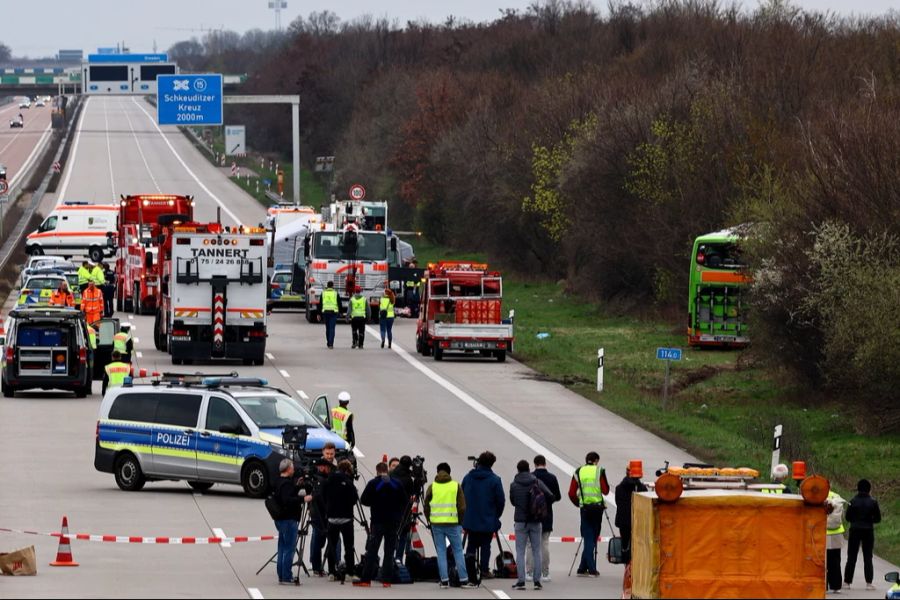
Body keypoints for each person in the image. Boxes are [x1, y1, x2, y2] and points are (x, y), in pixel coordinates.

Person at [355, 462, 408, 586]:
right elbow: (405, 501)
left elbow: (364, 500)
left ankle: (366, 580)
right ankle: (386, 580)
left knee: (372, 551)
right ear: (387, 470)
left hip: (377, 521)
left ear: (377, 471)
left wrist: (375, 502)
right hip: (393, 522)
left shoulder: (374, 483)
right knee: (389, 552)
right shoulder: (396, 483)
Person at [424, 462, 476, 589]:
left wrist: (429, 520)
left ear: (437, 472)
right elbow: (462, 507)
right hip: (453, 523)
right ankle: (463, 579)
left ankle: (444, 580)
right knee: (458, 550)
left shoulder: (432, 487)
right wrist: (460, 521)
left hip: (436, 524)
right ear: (449, 472)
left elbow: (426, 506)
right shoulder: (455, 486)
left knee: (441, 551)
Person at [509, 460, 552, 591]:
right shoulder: (536, 482)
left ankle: (521, 581)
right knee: (536, 550)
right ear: (528, 469)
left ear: (518, 470)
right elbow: (550, 495)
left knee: (520, 551)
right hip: (535, 520)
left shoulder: (514, 484)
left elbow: (512, 501)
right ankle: (537, 581)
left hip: (520, 521)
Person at [462, 451, 505, 581]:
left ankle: (469, 569)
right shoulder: (495, 480)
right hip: (487, 519)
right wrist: (495, 515)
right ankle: (484, 570)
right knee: (486, 545)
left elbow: (461, 495)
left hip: (470, 518)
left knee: (471, 544)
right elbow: (500, 501)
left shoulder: (468, 477)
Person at [568, 451, 609, 577]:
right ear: (596, 460)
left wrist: (579, 503)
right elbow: (606, 491)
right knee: (592, 537)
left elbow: (571, 492)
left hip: (584, 509)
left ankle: (582, 567)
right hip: (597, 508)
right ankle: (591, 568)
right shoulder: (599, 471)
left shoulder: (578, 471)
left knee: (587, 536)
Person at [272, 458, 312, 585]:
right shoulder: (286, 484)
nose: (294, 469)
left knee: (282, 547)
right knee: (289, 548)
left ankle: (281, 575)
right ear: (288, 469)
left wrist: (296, 487)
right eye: (293, 467)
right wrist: (303, 499)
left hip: (280, 519)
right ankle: (286, 576)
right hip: (288, 519)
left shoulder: (279, 481)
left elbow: (287, 495)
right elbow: (288, 500)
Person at [615, 460, 647, 598]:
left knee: (625, 546)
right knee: (638, 547)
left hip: (624, 523)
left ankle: (627, 571)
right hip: (637, 523)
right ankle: (635, 571)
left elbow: (620, 504)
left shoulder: (619, 488)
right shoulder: (641, 489)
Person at [527, 455, 561, 582]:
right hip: (547, 514)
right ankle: (545, 572)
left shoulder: (531, 477)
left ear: (534, 464)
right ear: (545, 463)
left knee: (530, 544)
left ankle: (529, 572)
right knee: (544, 543)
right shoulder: (552, 478)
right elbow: (557, 496)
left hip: (532, 515)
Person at [323, 459, 359, 580]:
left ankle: (331, 572)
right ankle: (350, 572)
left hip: (332, 518)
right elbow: (354, 499)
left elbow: (322, 495)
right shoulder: (348, 482)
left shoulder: (329, 479)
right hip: (346, 519)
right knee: (349, 546)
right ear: (348, 470)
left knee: (331, 545)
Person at [844, 479, 881, 590]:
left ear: (858, 488)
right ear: (869, 489)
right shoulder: (873, 502)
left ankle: (847, 582)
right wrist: (870, 520)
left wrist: (855, 520)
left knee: (851, 557)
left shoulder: (853, 501)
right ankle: (869, 583)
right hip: (868, 530)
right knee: (868, 557)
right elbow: (878, 518)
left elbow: (847, 517)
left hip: (855, 530)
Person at [308, 458, 334, 577]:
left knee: (318, 541)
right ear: (322, 467)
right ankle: (317, 566)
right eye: (327, 468)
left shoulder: (316, 478)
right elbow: (321, 499)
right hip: (319, 514)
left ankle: (316, 566)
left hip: (316, 512)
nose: (328, 470)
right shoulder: (321, 481)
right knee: (318, 541)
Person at [392, 455, 417, 563]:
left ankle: (389, 560)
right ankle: (399, 559)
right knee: (402, 536)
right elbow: (413, 495)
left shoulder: (391, 475)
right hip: (404, 512)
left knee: (391, 536)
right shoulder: (408, 479)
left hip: (391, 511)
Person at [825, 490, 846, 594]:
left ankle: (822, 585)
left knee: (821, 561)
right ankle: (836, 586)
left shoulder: (815, 494)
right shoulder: (836, 496)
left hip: (821, 533)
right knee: (836, 561)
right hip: (836, 534)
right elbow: (841, 517)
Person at [321, 281, 340, 349]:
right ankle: (331, 343)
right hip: (333, 313)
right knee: (332, 328)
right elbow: (339, 303)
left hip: (325, 312)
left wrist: (319, 313)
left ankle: (328, 342)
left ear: (327, 286)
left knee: (327, 328)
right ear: (332, 286)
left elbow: (320, 304)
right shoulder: (335, 293)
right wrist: (340, 312)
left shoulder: (323, 293)